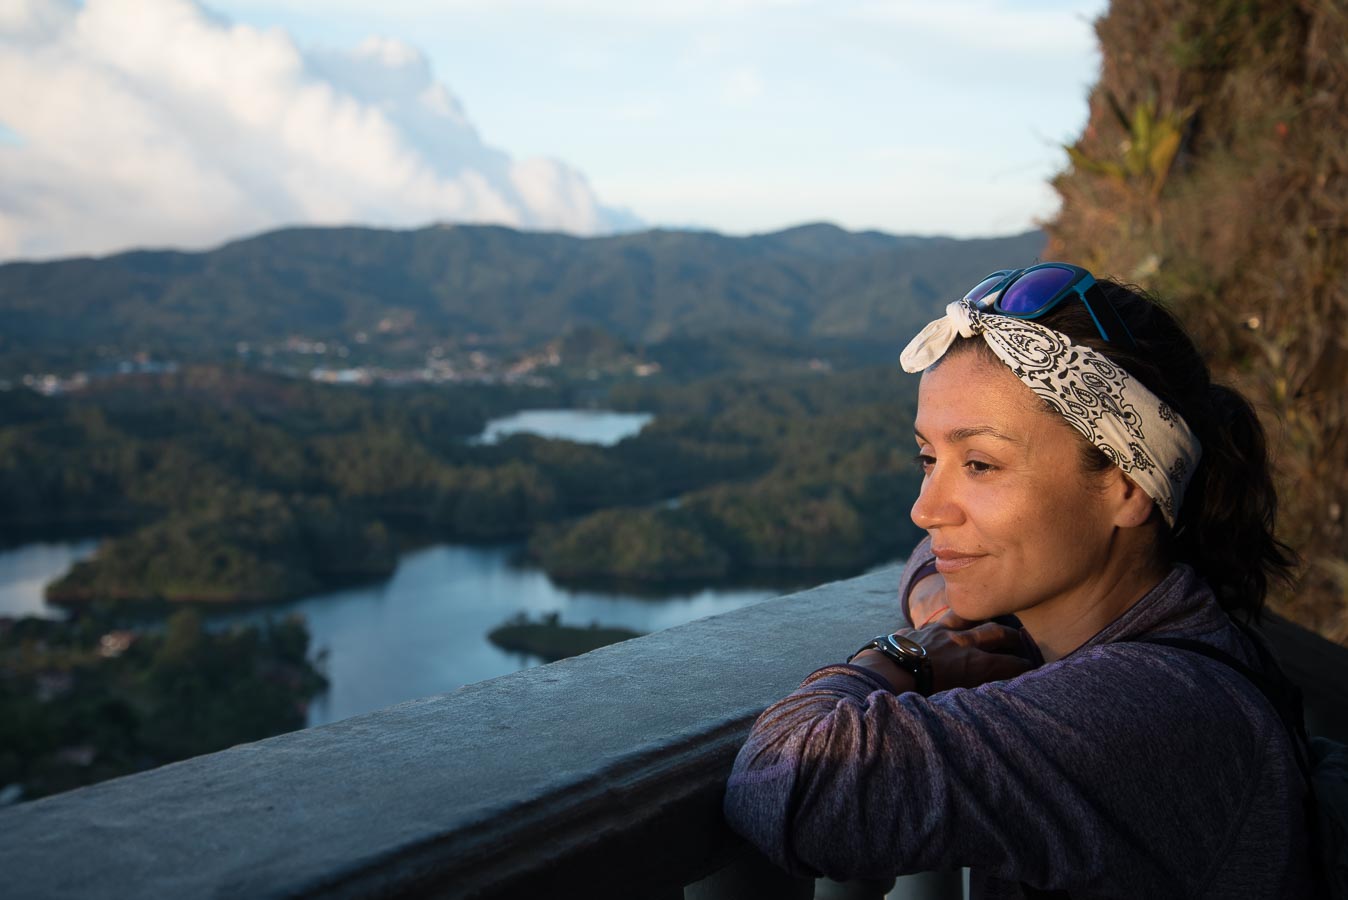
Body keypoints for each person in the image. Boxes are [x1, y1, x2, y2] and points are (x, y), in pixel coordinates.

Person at [722, 263, 1314, 898]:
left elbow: (783, 783)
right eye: (928, 458)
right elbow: (930, 555)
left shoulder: (1148, 710)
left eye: (979, 464)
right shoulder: (1163, 631)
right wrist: (944, 600)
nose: (925, 509)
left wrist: (902, 659)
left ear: (1127, 487)